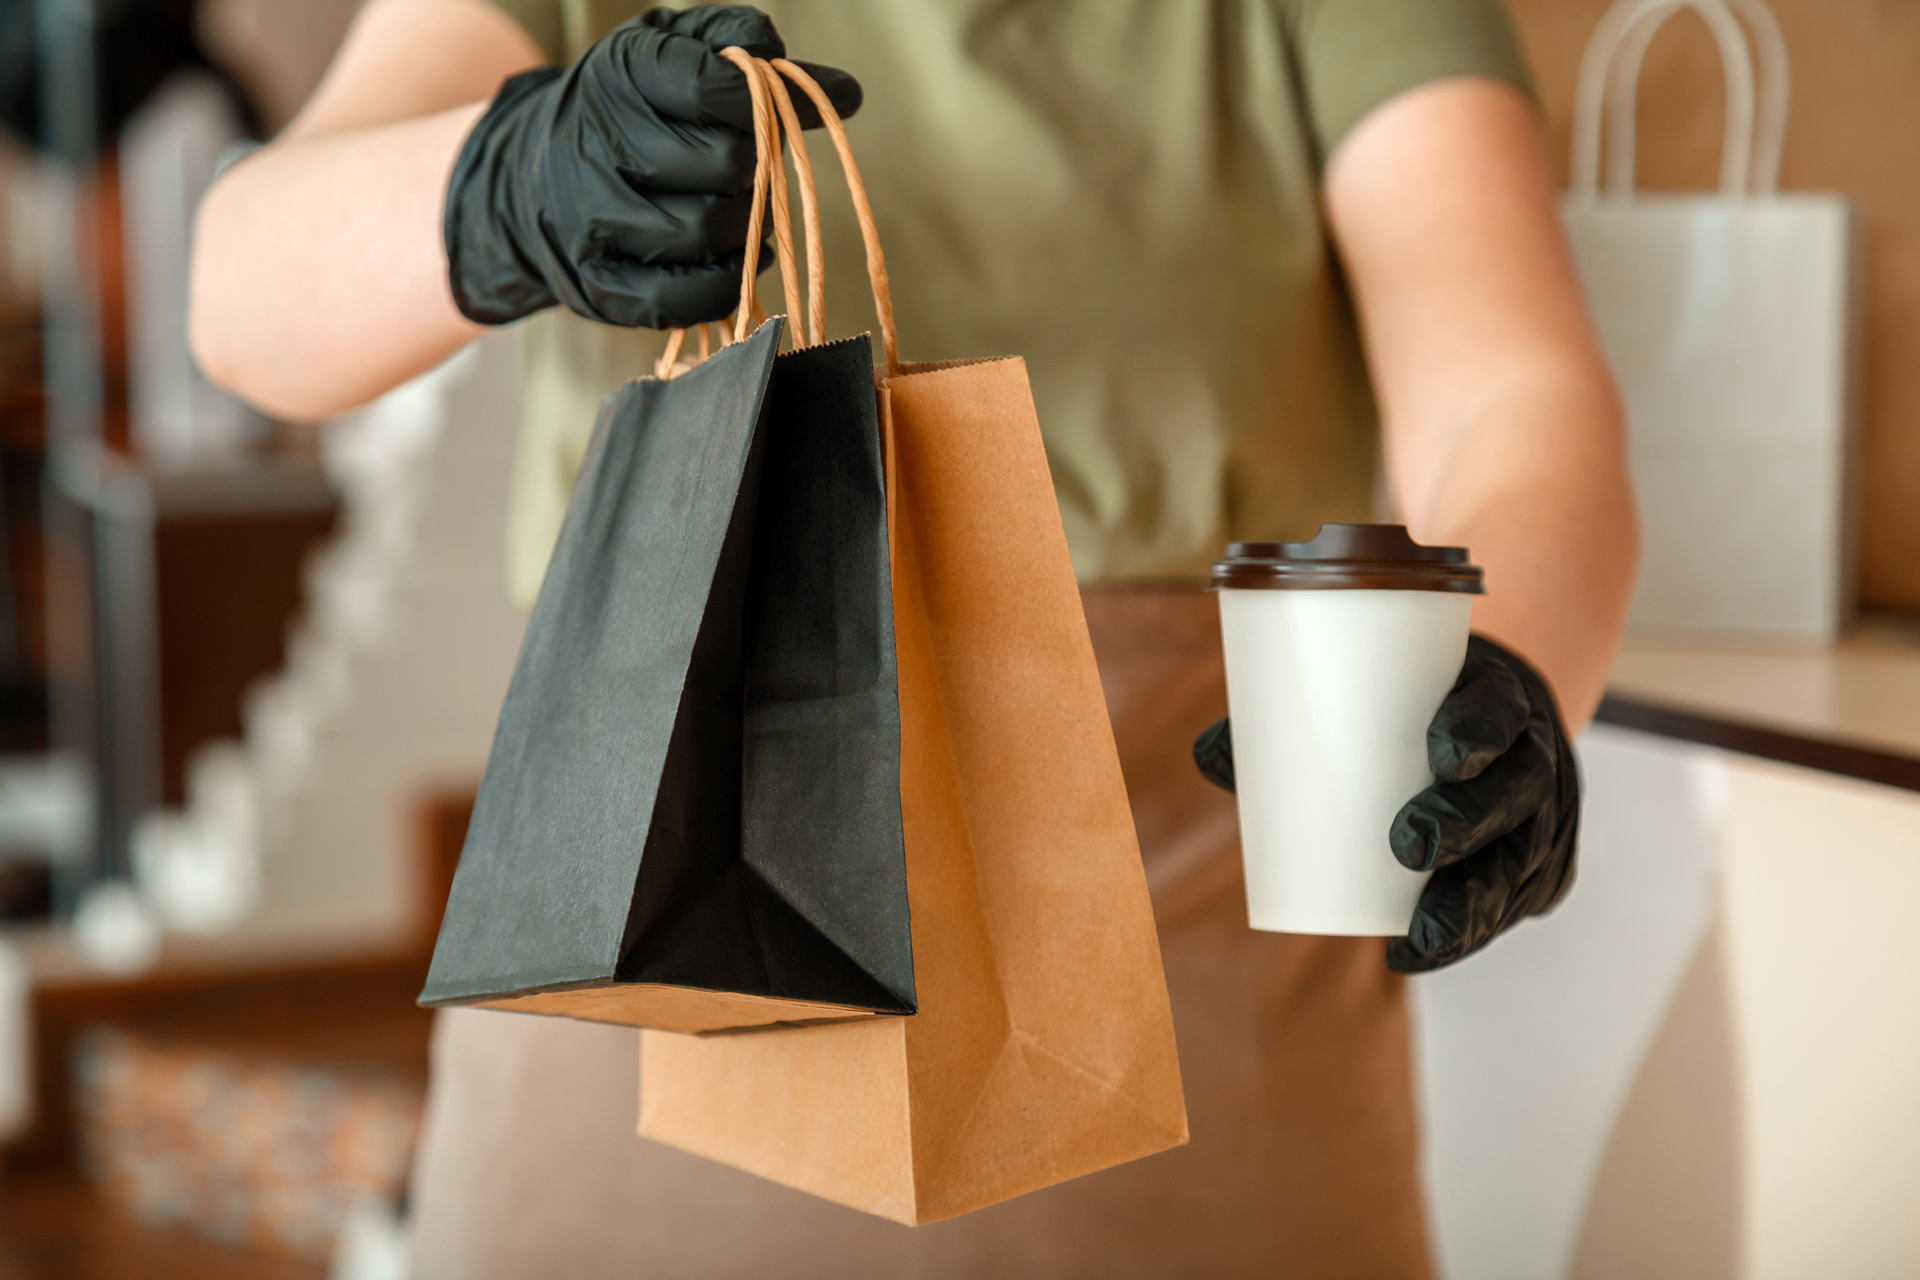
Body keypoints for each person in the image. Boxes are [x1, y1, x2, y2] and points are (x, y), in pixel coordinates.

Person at [189, 2, 1635, 1275]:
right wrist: (499, 188)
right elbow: (244, 296)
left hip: (1192, 1034)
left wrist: (1511, 676)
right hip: (632, 1015)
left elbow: (1510, 393)